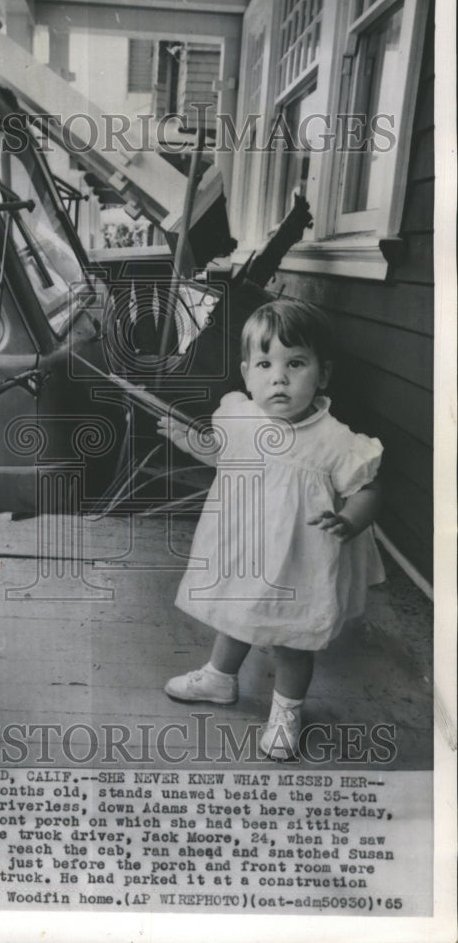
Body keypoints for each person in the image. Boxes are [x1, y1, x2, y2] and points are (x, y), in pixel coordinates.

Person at [156, 300, 384, 760]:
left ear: (322, 375)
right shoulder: (241, 418)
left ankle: (286, 710)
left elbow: (368, 488)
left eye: (295, 363)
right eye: (265, 364)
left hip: (301, 557)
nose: (278, 377)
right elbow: (221, 455)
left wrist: (350, 519)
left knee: (291, 637)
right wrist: (186, 439)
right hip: (249, 546)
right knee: (239, 611)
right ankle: (220, 678)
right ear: (246, 374)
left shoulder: (333, 440)